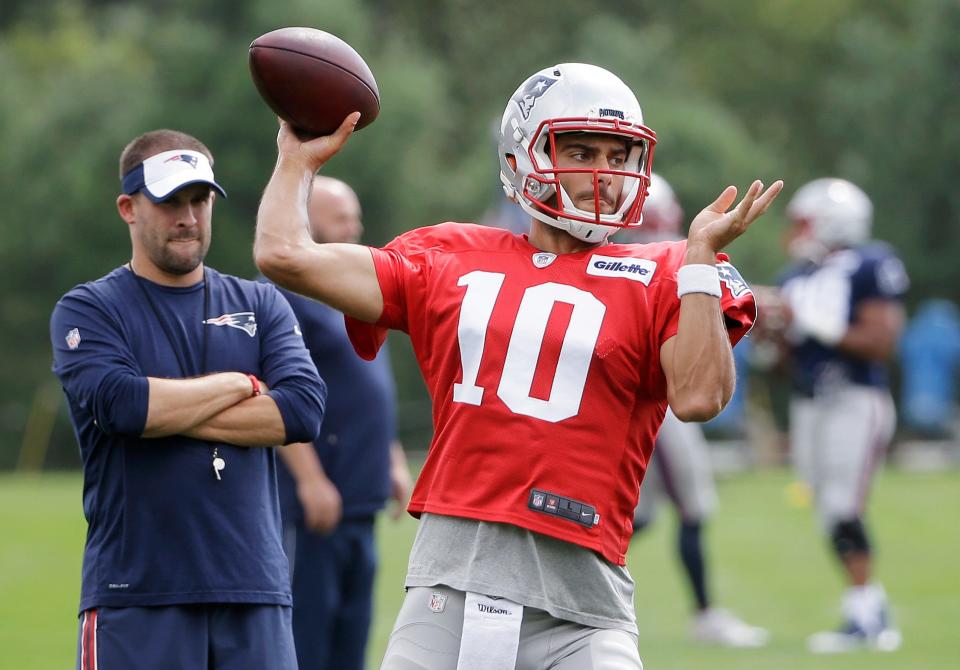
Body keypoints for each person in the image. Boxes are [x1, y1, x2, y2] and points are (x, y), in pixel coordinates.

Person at [255, 63, 782, 669]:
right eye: (580, 150)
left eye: (618, 156)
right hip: (446, 592)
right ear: (520, 155)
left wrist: (699, 263)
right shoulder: (447, 255)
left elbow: (698, 398)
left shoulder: (666, 271)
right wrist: (296, 159)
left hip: (583, 608)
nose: (602, 175)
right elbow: (284, 254)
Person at [50, 129, 326, 670]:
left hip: (254, 591)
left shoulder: (260, 301)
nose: (189, 217)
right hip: (137, 594)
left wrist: (167, 411)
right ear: (128, 208)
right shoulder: (89, 309)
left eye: (199, 200)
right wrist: (243, 384)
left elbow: (301, 410)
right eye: (170, 201)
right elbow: (124, 406)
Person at [270, 176, 413, 670]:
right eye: (341, 219)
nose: (354, 228)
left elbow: (368, 388)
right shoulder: (288, 296)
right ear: (308, 223)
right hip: (316, 505)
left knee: (352, 641)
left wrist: (392, 458)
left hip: (361, 499)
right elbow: (274, 395)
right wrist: (309, 480)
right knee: (308, 641)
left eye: (356, 218)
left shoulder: (356, 291)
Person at [623, 174, 769, 648]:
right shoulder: (644, 266)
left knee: (638, 515)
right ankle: (705, 613)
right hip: (656, 401)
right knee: (691, 506)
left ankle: (568, 578)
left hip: (645, 398)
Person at [778, 177, 908, 653]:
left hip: (856, 398)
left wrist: (814, 325)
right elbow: (789, 355)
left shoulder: (871, 262)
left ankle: (868, 616)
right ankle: (866, 611)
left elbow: (880, 342)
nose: (794, 233)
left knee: (842, 507)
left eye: (803, 223)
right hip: (811, 401)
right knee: (827, 511)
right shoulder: (798, 275)